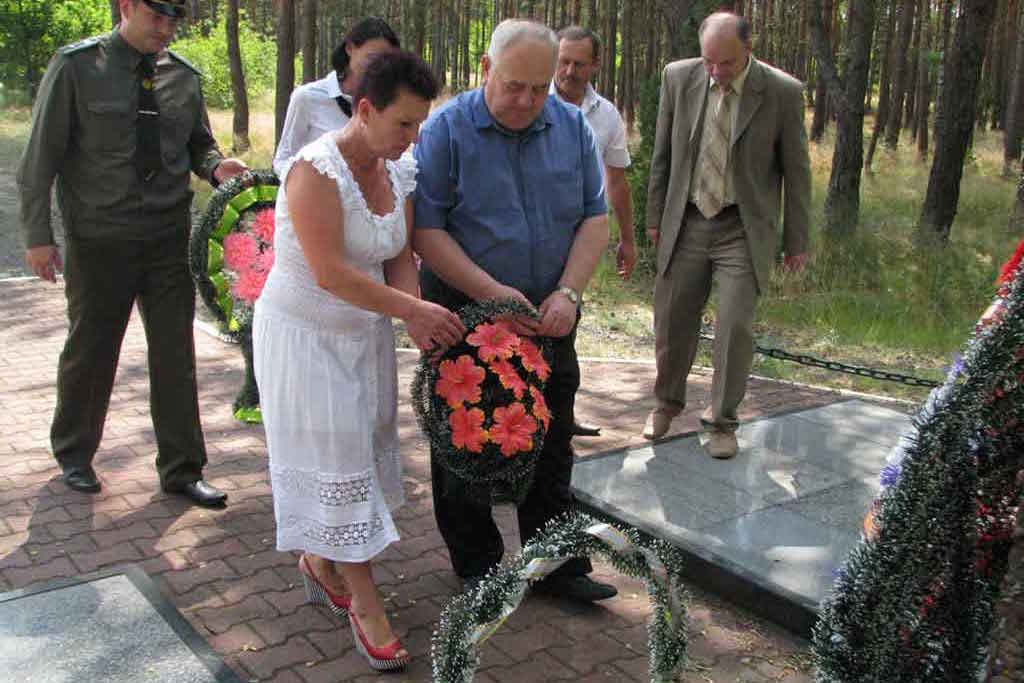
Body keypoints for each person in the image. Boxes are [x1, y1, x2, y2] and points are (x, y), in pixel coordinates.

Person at [252, 51, 463, 672]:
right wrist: (411, 312)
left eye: (420, 124)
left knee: (360, 452)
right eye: (403, 123)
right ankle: (366, 605)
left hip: (363, 334)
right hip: (304, 338)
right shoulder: (313, 171)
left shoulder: (398, 170)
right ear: (364, 110)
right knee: (338, 460)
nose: (413, 138)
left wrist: (416, 316)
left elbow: (397, 252)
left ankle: (319, 561)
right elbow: (331, 272)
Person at [413, 19, 617, 602]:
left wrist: (570, 294)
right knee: (466, 438)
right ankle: (478, 562)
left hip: (549, 309)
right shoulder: (447, 130)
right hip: (465, 309)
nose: (527, 100)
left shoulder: (573, 126)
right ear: (485, 68)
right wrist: (492, 298)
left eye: (538, 86)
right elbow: (427, 232)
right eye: (513, 85)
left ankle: (555, 565)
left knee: (551, 434)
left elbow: (593, 218)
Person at [16, 0, 248, 506]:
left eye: (175, 20)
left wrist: (214, 168)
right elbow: (39, 160)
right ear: (126, 7)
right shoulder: (77, 68)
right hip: (100, 240)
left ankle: (183, 469)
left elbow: (198, 145)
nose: (166, 29)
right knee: (92, 351)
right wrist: (38, 237)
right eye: (157, 17)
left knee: (175, 355)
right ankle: (75, 455)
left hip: (167, 238)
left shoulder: (183, 77)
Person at [642, 11, 810, 458]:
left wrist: (797, 240)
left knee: (734, 326)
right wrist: (655, 216)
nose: (715, 72)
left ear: (748, 50)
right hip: (688, 218)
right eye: (708, 62)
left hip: (742, 225)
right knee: (672, 319)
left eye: (726, 64)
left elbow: (797, 171)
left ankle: (722, 421)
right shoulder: (678, 78)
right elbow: (663, 153)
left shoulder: (781, 92)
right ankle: (665, 404)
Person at [552, 25, 637, 438]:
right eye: (562, 61)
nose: (568, 70)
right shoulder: (528, 100)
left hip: (580, 242)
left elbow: (617, 181)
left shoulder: (605, 115)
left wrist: (628, 238)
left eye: (578, 63)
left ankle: (561, 420)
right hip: (525, 238)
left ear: (595, 65)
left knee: (567, 326)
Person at [272, 17, 399, 177]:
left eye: (386, 61)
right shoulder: (307, 98)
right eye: (372, 58)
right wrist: (306, 188)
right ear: (350, 48)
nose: (378, 67)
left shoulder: (386, 103)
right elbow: (283, 160)